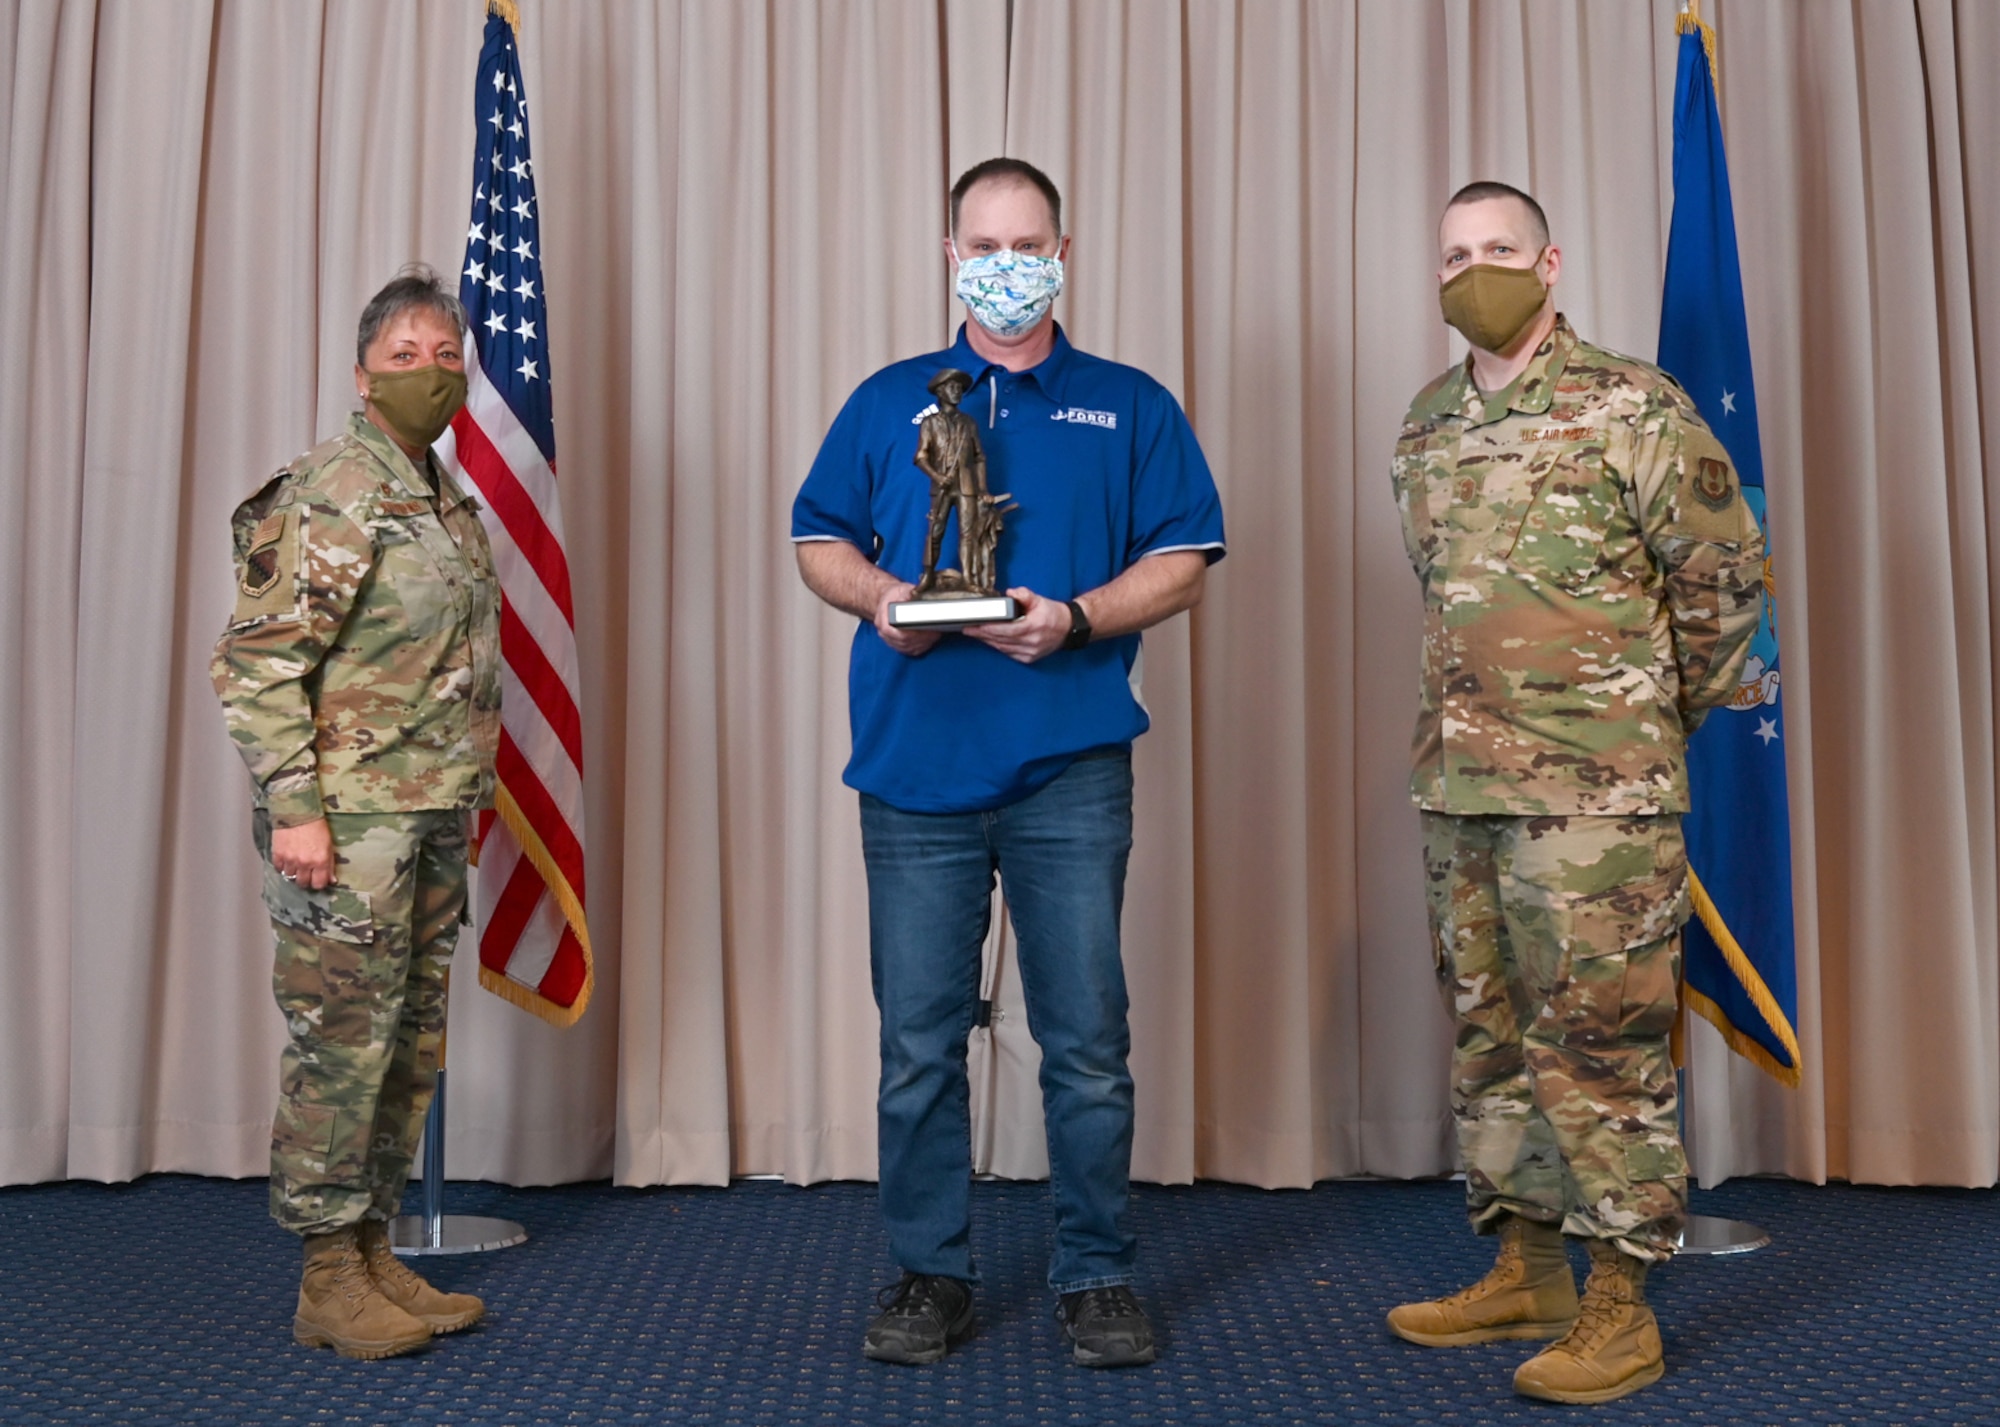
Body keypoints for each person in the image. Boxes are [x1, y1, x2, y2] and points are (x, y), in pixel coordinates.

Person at [792, 157, 1225, 1368]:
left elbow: (1184, 558)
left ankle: (1094, 1272)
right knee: (918, 1041)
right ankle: (929, 1271)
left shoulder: (1128, 403)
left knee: (1085, 1039)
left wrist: (1077, 617)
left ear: (1063, 249)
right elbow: (814, 537)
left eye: (1025, 240)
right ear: (948, 257)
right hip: (912, 772)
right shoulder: (890, 401)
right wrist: (882, 595)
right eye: (981, 242)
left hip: (1069, 768)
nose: (1004, 261)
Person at [1383, 182, 1765, 1403]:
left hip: (1598, 799)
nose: (1473, 269)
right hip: (1460, 787)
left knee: (1598, 1047)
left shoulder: (1633, 406)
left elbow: (1719, 589)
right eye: (1453, 253)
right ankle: (1527, 1263)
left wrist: (1637, 727)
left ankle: (1620, 1300)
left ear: (1548, 262)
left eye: (1497, 248)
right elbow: (1441, 593)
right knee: (1490, 1036)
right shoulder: (1426, 422)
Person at [212, 266, 501, 1361]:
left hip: (426, 811)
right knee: (342, 1047)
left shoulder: (437, 493)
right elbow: (255, 668)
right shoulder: (332, 489)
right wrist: (297, 809)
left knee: (406, 1045)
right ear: (360, 373)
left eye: (444, 355)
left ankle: (374, 1249)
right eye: (404, 356)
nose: (430, 373)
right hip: (345, 823)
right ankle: (327, 1275)